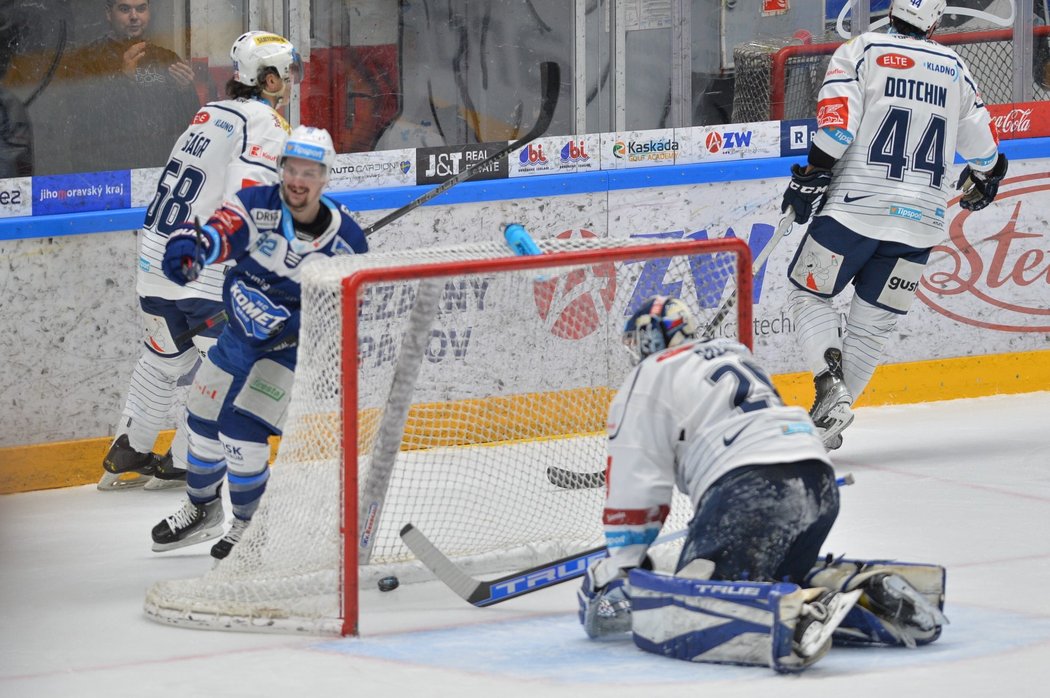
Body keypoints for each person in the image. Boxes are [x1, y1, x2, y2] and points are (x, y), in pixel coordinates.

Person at [577, 295, 949, 672]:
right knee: (771, 580)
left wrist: (622, 566)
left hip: (752, 490)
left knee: (697, 603)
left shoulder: (648, 375)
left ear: (648, 339)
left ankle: (800, 616)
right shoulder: (734, 352)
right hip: (818, 481)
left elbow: (636, 483)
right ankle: (867, 597)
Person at [780, 0, 1006, 450]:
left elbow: (837, 132)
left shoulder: (860, 50)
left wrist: (811, 175)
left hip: (854, 211)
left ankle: (830, 387)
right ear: (936, 21)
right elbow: (984, 154)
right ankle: (828, 422)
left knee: (808, 293)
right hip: (921, 222)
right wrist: (988, 177)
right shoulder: (956, 67)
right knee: (872, 326)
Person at [149, 126, 368, 560]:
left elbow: (348, 315)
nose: (298, 179)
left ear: (326, 178)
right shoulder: (256, 206)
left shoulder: (348, 241)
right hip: (238, 336)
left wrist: (296, 320)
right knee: (202, 417)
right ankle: (202, 509)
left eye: (311, 171)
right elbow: (218, 233)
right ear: (280, 169)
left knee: (242, 429)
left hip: (292, 351)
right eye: (292, 168)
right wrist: (193, 252)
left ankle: (251, 528)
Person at [99, 31, 302, 491]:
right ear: (268, 79)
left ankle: (131, 446)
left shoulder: (209, 113)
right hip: (202, 269)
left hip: (155, 258)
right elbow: (249, 199)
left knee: (163, 357)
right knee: (229, 363)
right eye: (287, 74)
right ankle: (190, 461)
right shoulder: (265, 123)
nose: (292, 83)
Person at [61, 1, 200, 172]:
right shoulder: (86, 59)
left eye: (141, 9)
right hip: (105, 171)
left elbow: (192, 122)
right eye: (125, 9)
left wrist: (185, 90)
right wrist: (123, 79)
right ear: (108, 13)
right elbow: (79, 114)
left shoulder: (166, 58)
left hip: (156, 168)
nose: (134, 17)